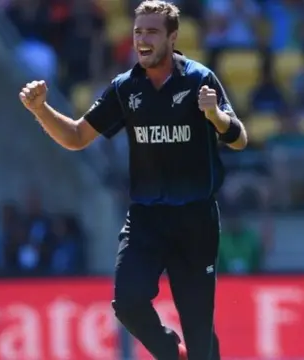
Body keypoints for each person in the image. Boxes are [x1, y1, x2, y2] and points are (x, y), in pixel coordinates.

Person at [18, 1, 248, 358]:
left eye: (152, 32)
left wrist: (215, 115)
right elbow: (77, 137)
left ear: (172, 37)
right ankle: (173, 353)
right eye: (138, 31)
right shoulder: (126, 88)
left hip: (195, 220)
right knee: (127, 304)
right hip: (146, 218)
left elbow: (239, 139)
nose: (143, 39)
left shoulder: (200, 79)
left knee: (200, 334)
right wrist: (40, 110)